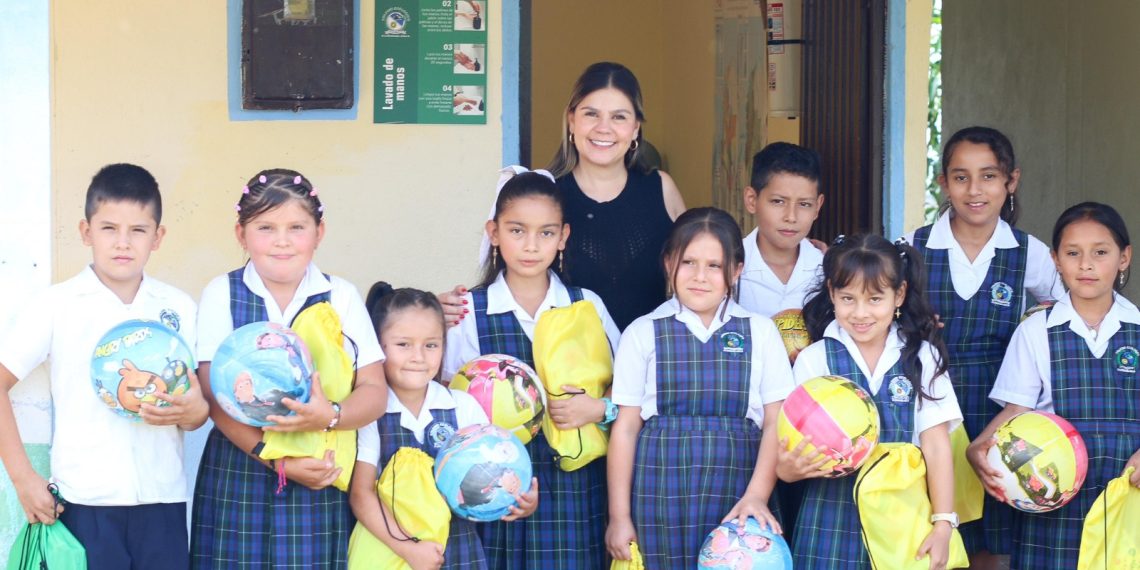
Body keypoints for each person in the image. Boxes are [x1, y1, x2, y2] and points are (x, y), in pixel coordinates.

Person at [0, 163, 207, 569]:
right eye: (109, 228)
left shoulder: (178, 307)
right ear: (85, 231)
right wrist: (23, 478)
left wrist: (192, 411)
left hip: (162, 502)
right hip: (83, 503)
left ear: (158, 237)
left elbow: (197, 410)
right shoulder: (57, 305)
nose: (123, 243)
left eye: (139, 230)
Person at [190, 169, 387, 569]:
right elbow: (212, 394)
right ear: (240, 234)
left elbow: (374, 391)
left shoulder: (341, 296)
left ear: (320, 231)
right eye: (266, 227)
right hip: (240, 467)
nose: (282, 240)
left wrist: (331, 416)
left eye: (297, 226)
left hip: (319, 472)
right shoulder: (222, 293)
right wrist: (278, 460)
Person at [443, 168, 621, 570]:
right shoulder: (469, 311)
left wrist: (598, 408)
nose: (531, 245)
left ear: (563, 237)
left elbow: (629, 387)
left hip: (576, 489)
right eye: (517, 230)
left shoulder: (585, 307)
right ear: (494, 232)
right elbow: (443, 399)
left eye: (546, 232)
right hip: (495, 489)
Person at [903, 126, 1063, 565]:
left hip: (1001, 411)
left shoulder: (1029, 253)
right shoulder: (912, 249)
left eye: (989, 176)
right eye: (961, 177)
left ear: (1011, 181)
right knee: (929, 533)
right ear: (943, 184)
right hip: (929, 406)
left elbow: (1065, 317)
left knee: (994, 541)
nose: (975, 190)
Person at [606, 207, 792, 567]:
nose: (699, 276)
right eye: (688, 262)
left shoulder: (760, 331)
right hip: (659, 495)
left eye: (714, 265)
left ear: (736, 270)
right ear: (668, 263)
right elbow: (626, 429)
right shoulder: (643, 332)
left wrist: (756, 496)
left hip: (740, 491)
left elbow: (776, 421)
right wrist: (619, 516)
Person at [438, 62, 685, 331]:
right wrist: (448, 311)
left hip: (653, 362)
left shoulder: (661, 188)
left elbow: (697, 272)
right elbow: (504, 276)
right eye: (591, 114)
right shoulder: (545, 195)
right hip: (562, 366)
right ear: (571, 120)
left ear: (636, 127)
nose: (604, 128)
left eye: (619, 117)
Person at [967, 202, 1140, 570]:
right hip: (1053, 502)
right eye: (1073, 253)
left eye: (1101, 252)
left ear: (1124, 258)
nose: (1086, 264)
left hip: (1129, 500)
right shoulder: (1035, 331)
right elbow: (1016, 411)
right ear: (1055, 260)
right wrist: (977, 449)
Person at [784, 233, 962, 569]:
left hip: (901, 518)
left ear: (900, 295)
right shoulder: (814, 359)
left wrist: (943, 523)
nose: (860, 313)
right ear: (832, 294)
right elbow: (788, 447)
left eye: (875, 299)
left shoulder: (923, 357)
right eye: (848, 298)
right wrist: (788, 470)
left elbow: (936, 447)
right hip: (829, 517)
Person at [351, 285, 533, 569]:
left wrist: (520, 498)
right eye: (403, 344)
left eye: (431, 345)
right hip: (392, 553)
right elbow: (362, 494)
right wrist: (410, 549)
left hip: (459, 553)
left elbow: (494, 472)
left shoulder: (463, 407)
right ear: (379, 347)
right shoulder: (372, 411)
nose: (418, 356)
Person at [738, 142, 826, 317]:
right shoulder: (729, 267)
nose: (791, 217)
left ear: (817, 207)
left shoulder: (828, 269)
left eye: (804, 204)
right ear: (752, 200)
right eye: (778, 201)